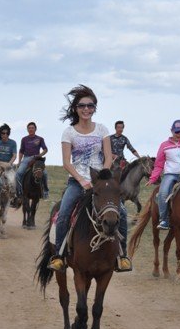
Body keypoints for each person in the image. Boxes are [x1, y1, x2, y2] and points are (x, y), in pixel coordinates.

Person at [47, 85, 132, 272]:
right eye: (82, 105)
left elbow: (108, 156)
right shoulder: (69, 132)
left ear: (95, 108)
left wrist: (102, 177)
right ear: (76, 108)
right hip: (77, 182)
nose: (86, 109)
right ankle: (59, 257)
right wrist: (82, 180)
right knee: (63, 214)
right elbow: (66, 162)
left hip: (100, 182)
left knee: (123, 213)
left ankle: (122, 256)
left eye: (90, 105)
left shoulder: (102, 129)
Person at [146, 120, 180, 230]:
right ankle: (164, 220)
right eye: (177, 132)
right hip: (170, 174)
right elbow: (159, 164)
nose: (179, 134)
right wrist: (153, 178)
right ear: (171, 131)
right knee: (163, 192)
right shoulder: (164, 146)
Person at [15, 122, 49, 200]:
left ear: (35, 129)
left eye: (32, 128)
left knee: (45, 174)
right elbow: (21, 151)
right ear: (27, 129)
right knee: (18, 174)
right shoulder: (24, 139)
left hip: (36, 158)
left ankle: (45, 192)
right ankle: (19, 192)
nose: (30, 129)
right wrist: (19, 161)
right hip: (26, 158)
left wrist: (40, 155)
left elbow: (45, 149)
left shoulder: (40, 139)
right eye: (29, 128)